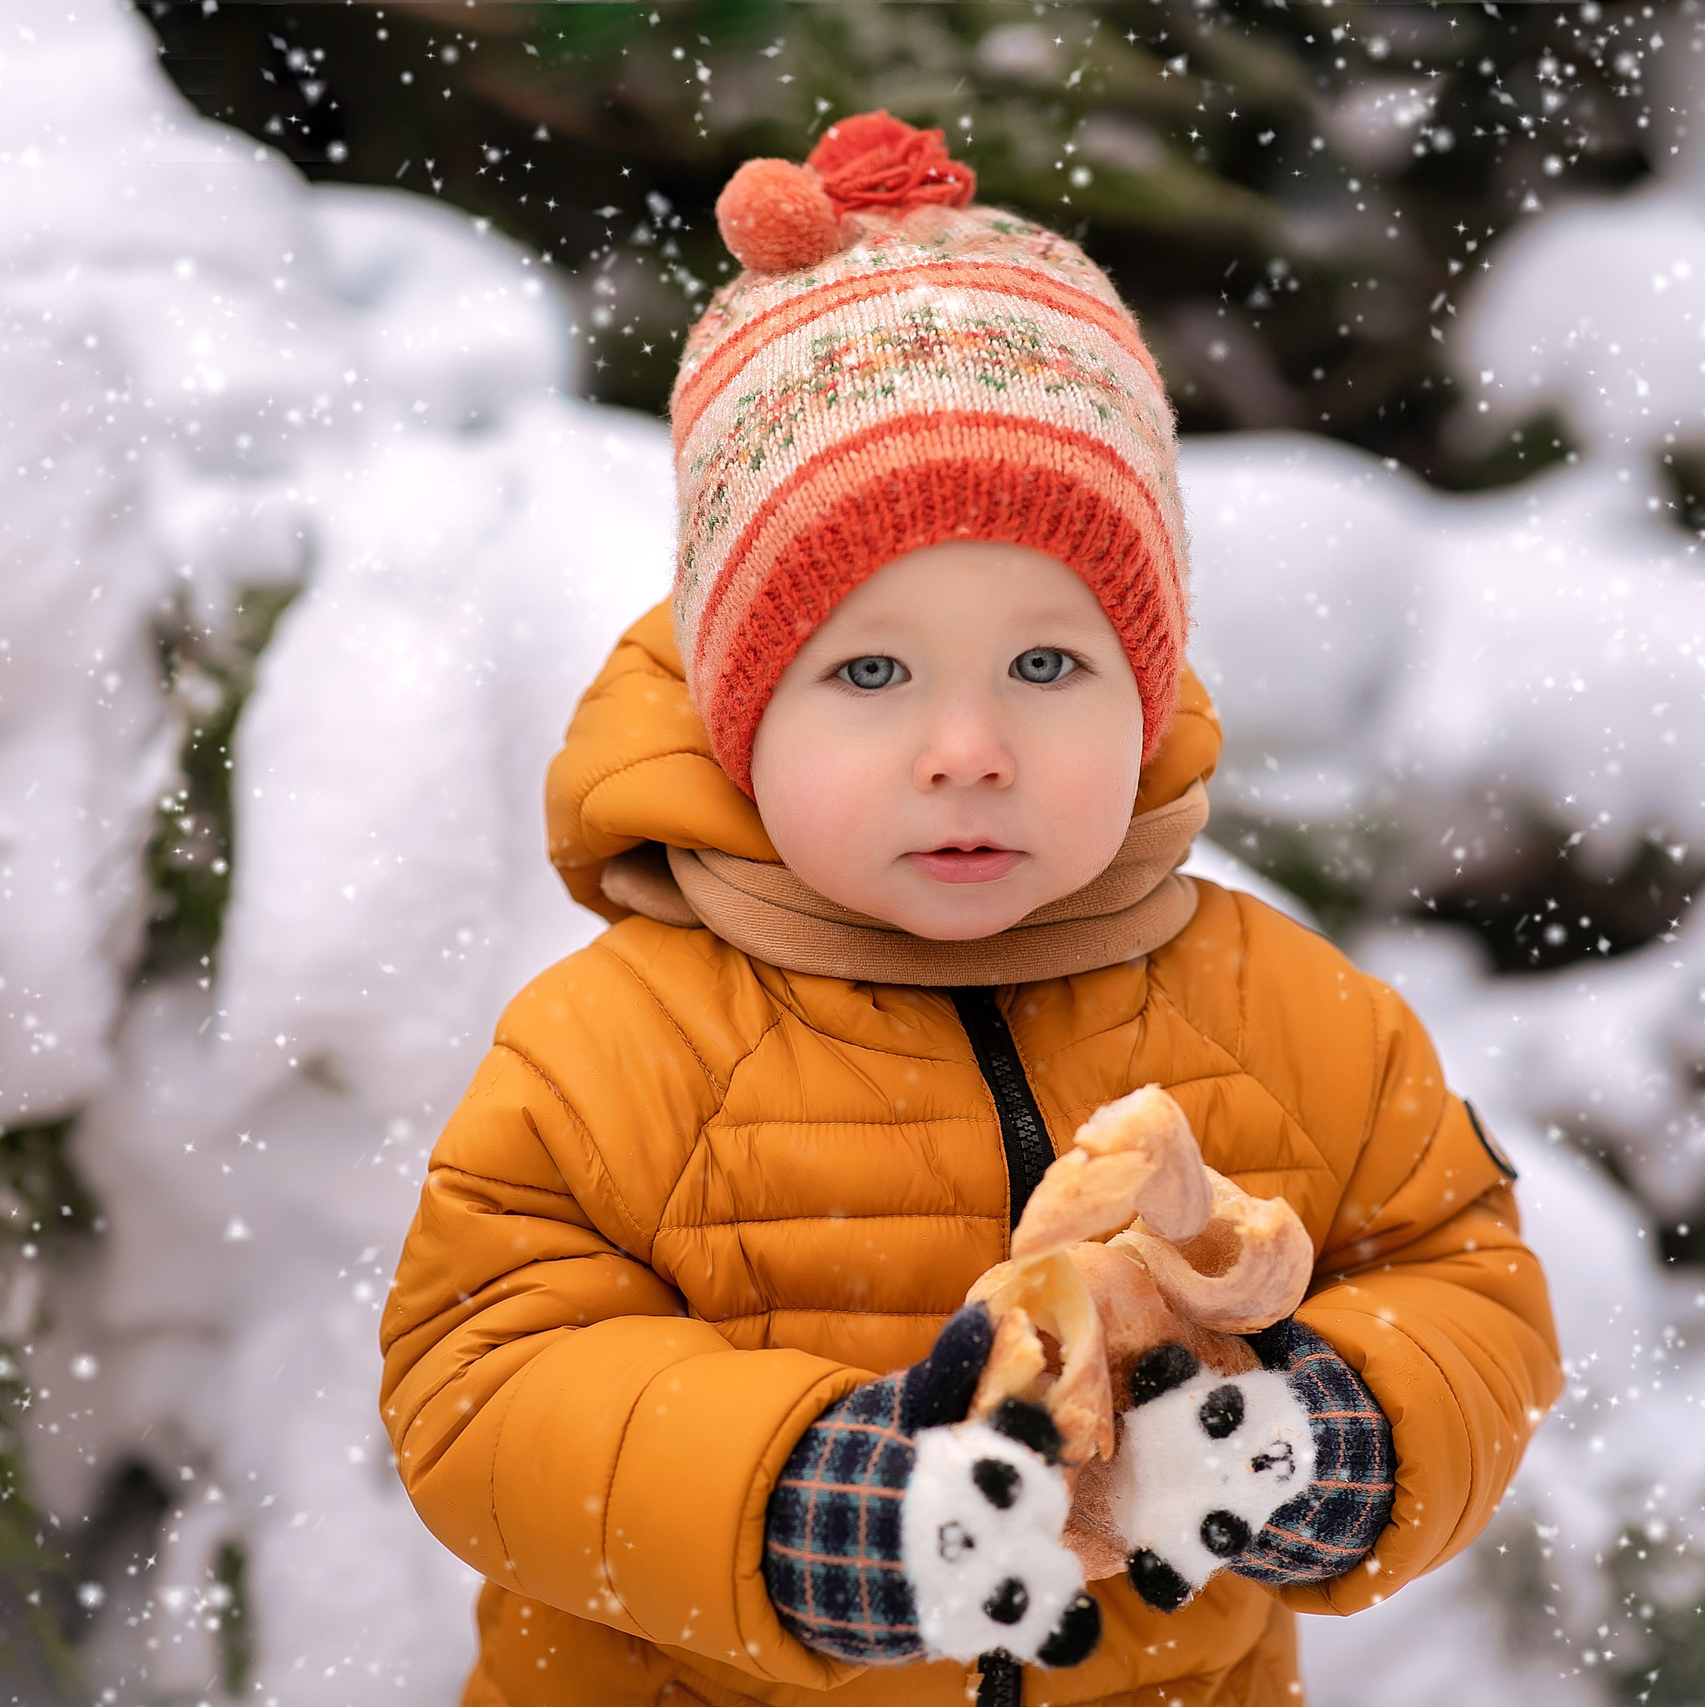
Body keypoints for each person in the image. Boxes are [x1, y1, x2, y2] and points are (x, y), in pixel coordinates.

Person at [379, 111, 1561, 1707]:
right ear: (738, 711)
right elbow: (483, 1385)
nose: (968, 751)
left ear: (1146, 698)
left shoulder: (1283, 1015)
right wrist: (808, 1502)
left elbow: (1464, 1277)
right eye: (870, 671)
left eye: (1049, 666)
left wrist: (1333, 1433)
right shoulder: (618, 1045)